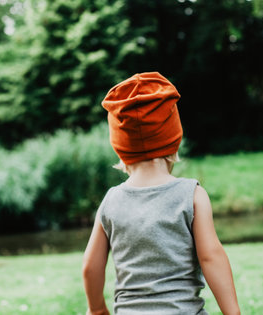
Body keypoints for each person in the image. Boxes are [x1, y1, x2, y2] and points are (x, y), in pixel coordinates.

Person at [82, 72, 240, 315]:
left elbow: (91, 267)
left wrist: (97, 310)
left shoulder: (111, 201)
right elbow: (211, 257)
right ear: (173, 138)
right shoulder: (192, 195)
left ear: (121, 148)